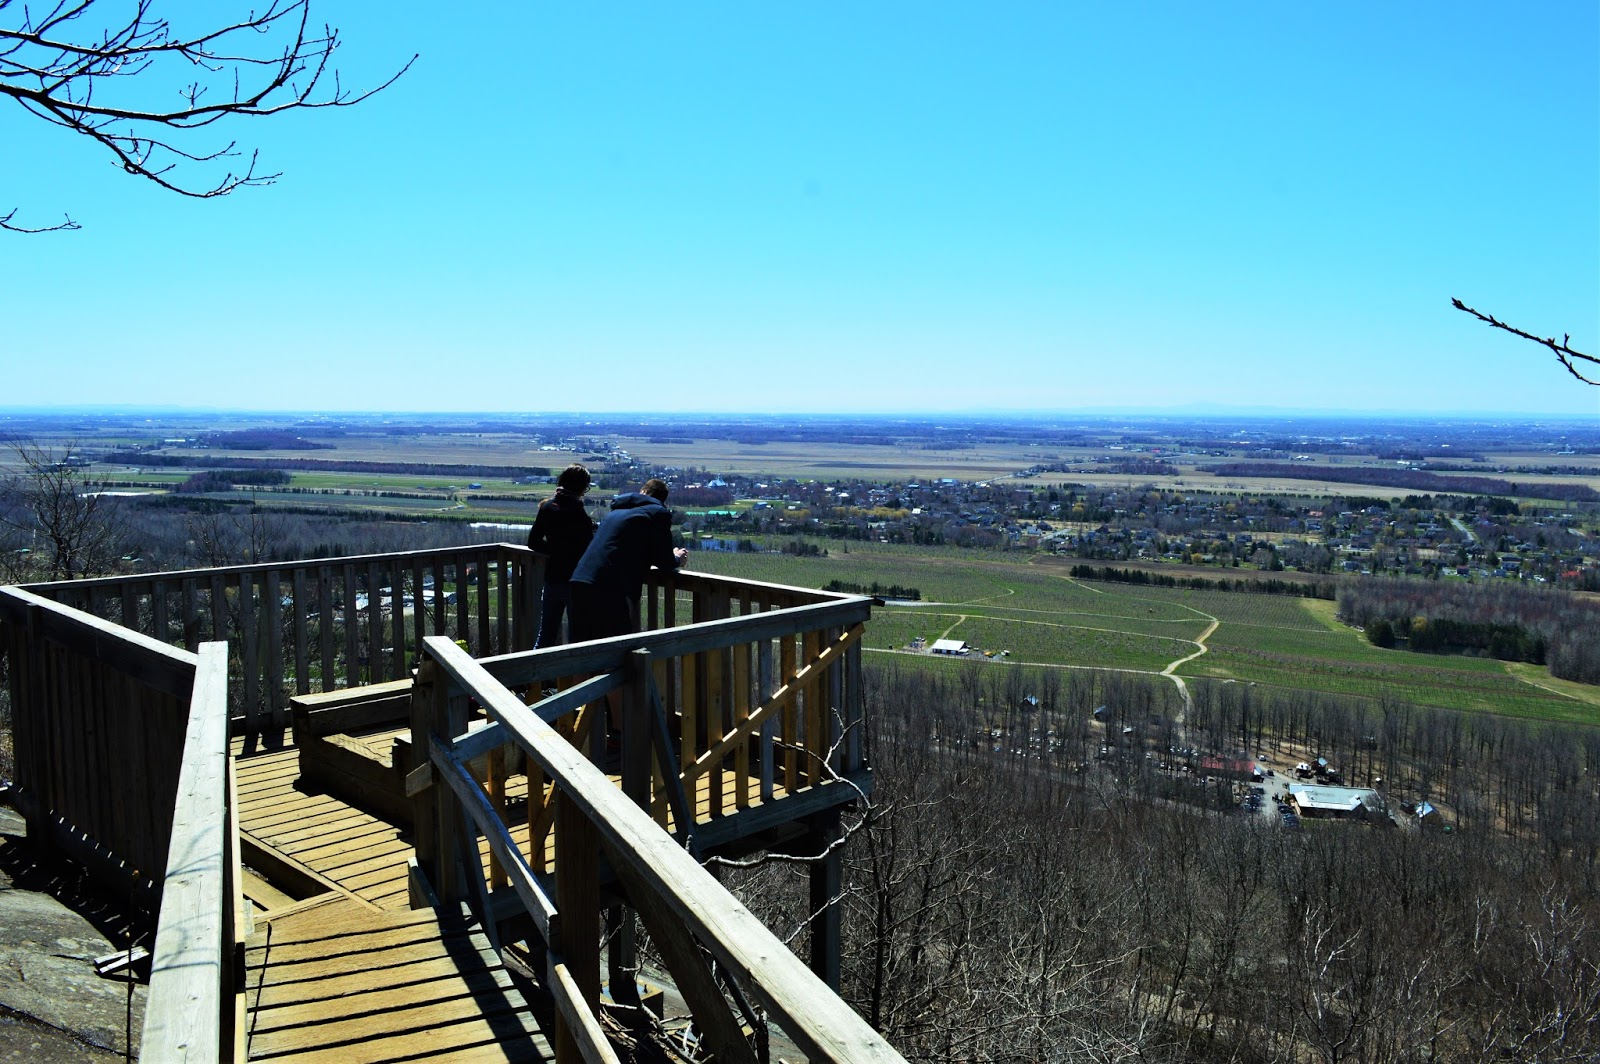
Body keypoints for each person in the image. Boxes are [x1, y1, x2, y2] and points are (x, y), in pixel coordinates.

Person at [568, 478, 688, 643]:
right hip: (609, 589)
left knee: (580, 652)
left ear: (642, 491)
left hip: (579, 581)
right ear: (662, 499)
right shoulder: (657, 514)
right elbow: (664, 561)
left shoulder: (616, 511)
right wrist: (677, 558)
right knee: (615, 651)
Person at [527, 464, 596, 647]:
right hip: (575, 582)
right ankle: (574, 674)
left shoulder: (547, 507)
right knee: (576, 638)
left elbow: (533, 542)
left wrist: (555, 551)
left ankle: (537, 672)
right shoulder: (578, 513)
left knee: (546, 634)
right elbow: (589, 549)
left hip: (552, 578)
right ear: (581, 488)